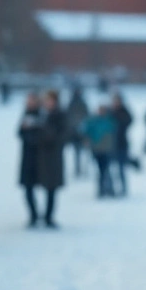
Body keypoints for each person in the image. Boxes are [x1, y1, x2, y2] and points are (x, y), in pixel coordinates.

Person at [20, 90, 65, 228]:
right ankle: (35, 216)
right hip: (37, 158)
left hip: (51, 158)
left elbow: (57, 136)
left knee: (51, 189)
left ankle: (48, 217)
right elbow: (22, 133)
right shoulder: (38, 115)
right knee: (30, 188)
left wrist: (38, 128)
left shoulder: (57, 116)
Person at [82, 104, 118, 198]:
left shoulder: (108, 121)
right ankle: (102, 189)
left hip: (106, 149)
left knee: (106, 170)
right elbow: (86, 131)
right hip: (97, 149)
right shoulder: (93, 121)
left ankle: (108, 189)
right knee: (101, 171)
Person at [110, 92, 135, 196]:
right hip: (110, 145)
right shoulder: (110, 112)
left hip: (121, 144)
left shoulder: (124, 112)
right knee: (109, 169)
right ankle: (110, 189)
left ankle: (123, 189)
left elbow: (129, 121)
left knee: (121, 169)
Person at [66, 87, 90, 178]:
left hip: (80, 131)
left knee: (80, 151)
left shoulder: (78, 103)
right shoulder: (73, 103)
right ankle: (78, 169)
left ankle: (80, 169)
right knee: (77, 151)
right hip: (75, 132)